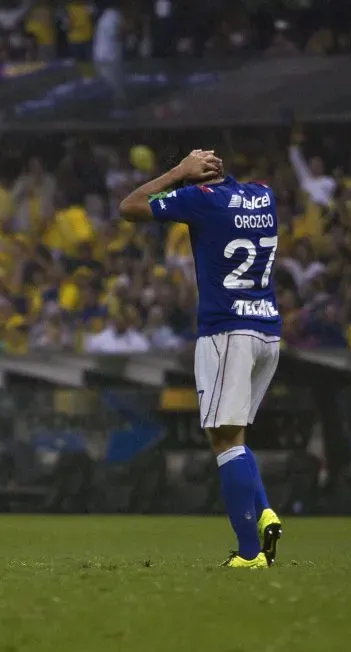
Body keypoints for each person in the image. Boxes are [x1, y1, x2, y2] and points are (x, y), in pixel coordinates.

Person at [119, 149, 283, 569]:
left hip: (227, 331)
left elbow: (130, 207)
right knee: (232, 436)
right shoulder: (264, 196)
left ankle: (249, 555)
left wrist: (177, 172)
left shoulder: (201, 199)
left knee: (225, 439)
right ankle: (263, 512)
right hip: (267, 330)